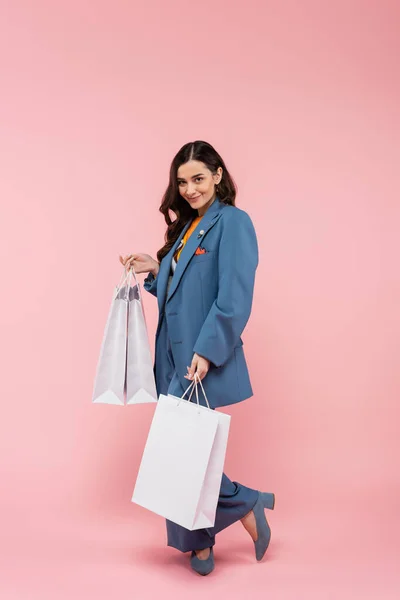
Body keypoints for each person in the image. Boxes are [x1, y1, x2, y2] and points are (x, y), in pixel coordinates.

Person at [120, 140, 275, 576]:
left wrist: (208, 350)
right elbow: (182, 290)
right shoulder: (189, 226)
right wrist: (157, 267)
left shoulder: (234, 223)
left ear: (218, 175)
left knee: (180, 451)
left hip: (202, 358)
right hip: (172, 357)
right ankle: (225, 523)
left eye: (199, 179)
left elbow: (234, 298)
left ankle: (223, 523)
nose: (189, 189)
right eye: (183, 181)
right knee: (187, 451)